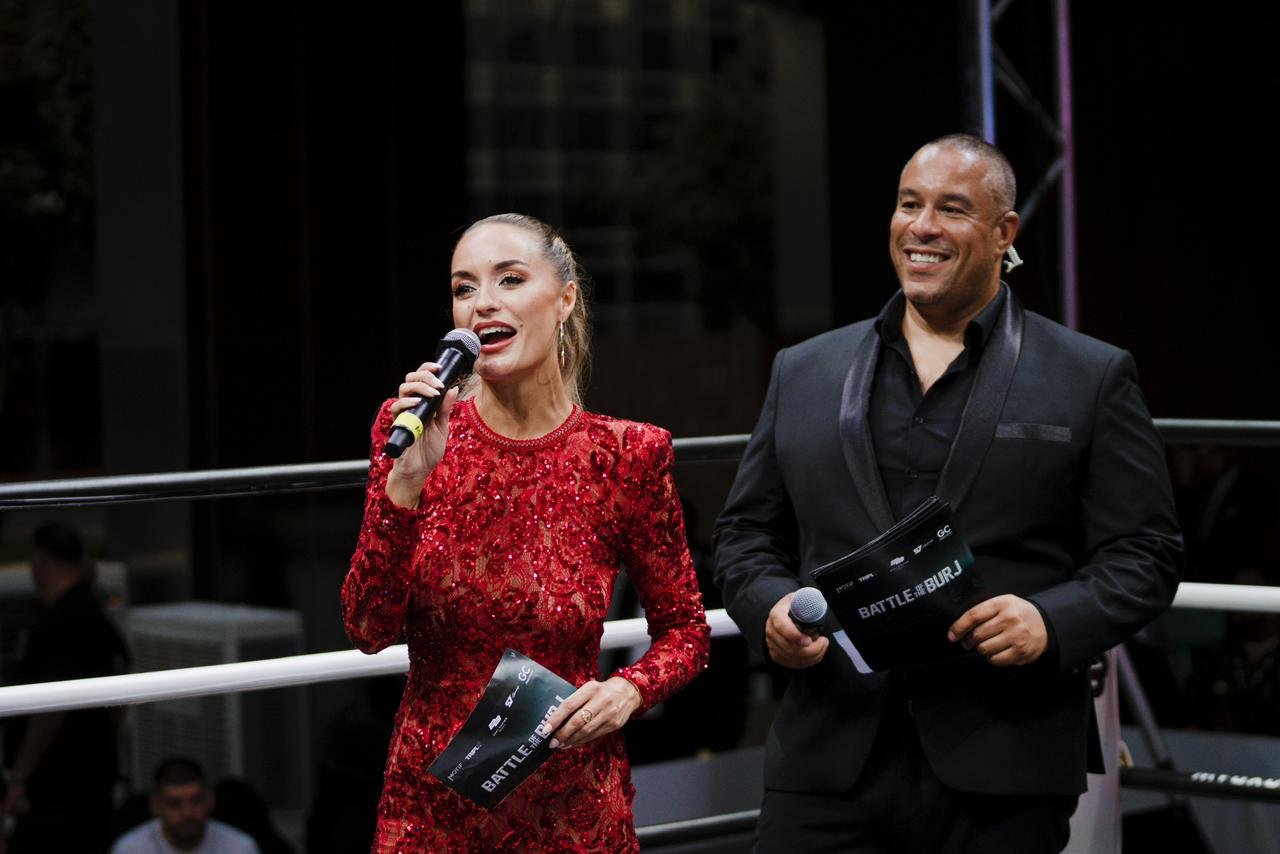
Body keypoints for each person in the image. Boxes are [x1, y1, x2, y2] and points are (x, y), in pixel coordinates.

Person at [713, 134, 1183, 853]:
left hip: (1005, 763)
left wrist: (1049, 620)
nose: (922, 226)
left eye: (952, 208)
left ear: (1004, 233)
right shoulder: (803, 370)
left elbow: (1147, 553)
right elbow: (745, 534)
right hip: (827, 758)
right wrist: (770, 606)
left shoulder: (1089, 375)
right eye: (910, 205)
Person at [341, 213, 710, 851]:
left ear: (565, 300)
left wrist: (629, 690)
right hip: (431, 812)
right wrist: (405, 486)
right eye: (464, 288)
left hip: (572, 812)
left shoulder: (626, 456)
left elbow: (687, 632)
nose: (483, 302)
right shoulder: (411, 430)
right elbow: (366, 630)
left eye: (509, 279)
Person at [2, 522, 129, 854]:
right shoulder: (96, 614)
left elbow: (51, 708)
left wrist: (19, 777)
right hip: (92, 776)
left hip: (58, 787)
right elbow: (120, 696)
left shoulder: (62, 622)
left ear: (40, 560)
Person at [110, 757, 259, 854]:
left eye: (196, 801)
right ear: (155, 805)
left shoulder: (241, 848)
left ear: (210, 799)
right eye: (175, 804)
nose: (187, 812)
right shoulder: (130, 849)